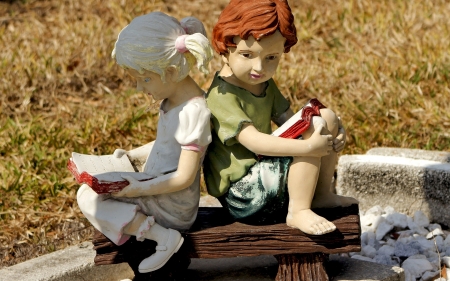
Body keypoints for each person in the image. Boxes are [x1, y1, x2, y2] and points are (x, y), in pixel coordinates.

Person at [203, 0, 357, 236]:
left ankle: (320, 194)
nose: (259, 67)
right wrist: (308, 146)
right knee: (309, 141)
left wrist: (333, 129)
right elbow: (254, 141)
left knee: (323, 117)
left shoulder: (263, 83)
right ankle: (298, 211)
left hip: (265, 170)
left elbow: (290, 119)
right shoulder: (221, 95)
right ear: (225, 48)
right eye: (247, 54)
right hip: (245, 193)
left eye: (271, 58)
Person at [76, 12, 213, 273]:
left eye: (145, 79)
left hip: (173, 204)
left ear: (171, 71)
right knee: (90, 191)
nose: (140, 88)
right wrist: (131, 154)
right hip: (155, 186)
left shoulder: (194, 112)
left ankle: (163, 238)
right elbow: (167, 144)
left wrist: (138, 189)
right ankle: (146, 235)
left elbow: (184, 176)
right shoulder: (173, 102)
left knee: (91, 198)